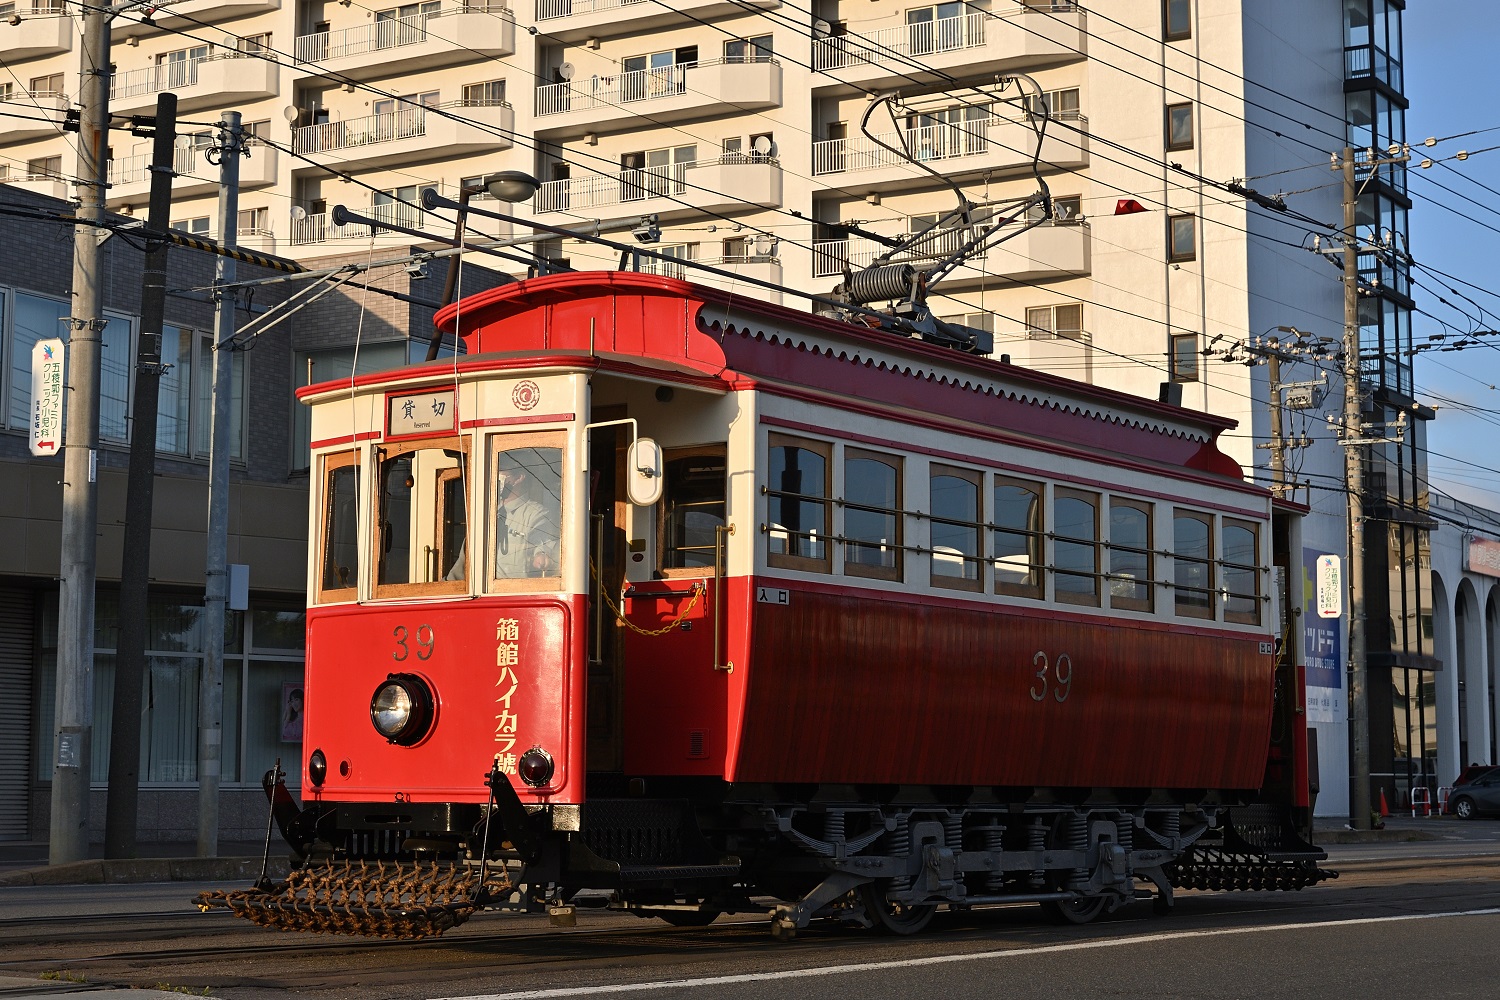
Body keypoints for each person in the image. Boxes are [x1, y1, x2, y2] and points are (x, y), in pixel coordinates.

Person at [493, 454, 559, 578]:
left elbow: (543, 543)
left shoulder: (536, 514)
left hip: (513, 593)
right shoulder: (486, 512)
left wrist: (541, 555)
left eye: (500, 472)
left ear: (519, 478)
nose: (494, 477)